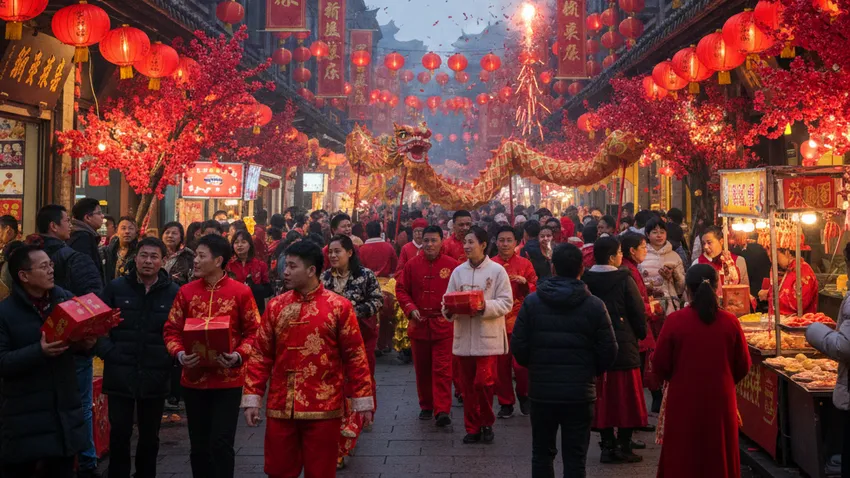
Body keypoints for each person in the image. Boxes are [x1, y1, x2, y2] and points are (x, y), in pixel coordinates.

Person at [242, 240, 374, 478]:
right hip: (281, 405)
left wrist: (362, 400)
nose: (285, 272)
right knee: (278, 470)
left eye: (292, 266)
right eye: (286, 266)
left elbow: (355, 355)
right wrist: (253, 398)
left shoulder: (338, 307)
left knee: (321, 472)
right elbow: (260, 354)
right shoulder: (275, 307)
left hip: (324, 407)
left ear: (312, 270)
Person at [512, 243, 618, 478]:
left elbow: (519, 346)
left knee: (541, 453)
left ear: (553, 267)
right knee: (575, 457)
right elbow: (609, 351)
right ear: (582, 268)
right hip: (580, 393)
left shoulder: (532, 303)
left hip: (542, 391)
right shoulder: (594, 306)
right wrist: (590, 370)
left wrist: (537, 366)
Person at [162, 234, 261, 478]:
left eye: (200, 256)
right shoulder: (185, 292)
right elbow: (171, 329)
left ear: (218, 260)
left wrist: (238, 355)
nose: (195, 260)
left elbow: (255, 333)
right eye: (195, 255)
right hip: (193, 379)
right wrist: (180, 354)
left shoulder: (241, 292)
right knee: (199, 446)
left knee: (221, 443)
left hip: (228, 379)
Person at [0, 245, 96, 478]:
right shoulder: (5, 313)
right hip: (24, 419)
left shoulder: (65, 301)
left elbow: (75, 346)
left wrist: (86, 344)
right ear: (24, 276)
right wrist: (39, 351)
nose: (51, 270)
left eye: (51, 264)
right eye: (43, 267)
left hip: (63, 415)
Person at [653, 264, 751, 478]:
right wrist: (723, 378)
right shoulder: (730, 322)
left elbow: (659, 363)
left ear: (687, 288)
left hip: (683, 396)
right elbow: (743, 365)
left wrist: (679, 377)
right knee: (718, 452)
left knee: (683, 453)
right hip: (720, 398)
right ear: (717, 288)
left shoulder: (675, 321)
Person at [97, 237, 179, 478]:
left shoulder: (174, 292)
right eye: (143, 255)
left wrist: (169, 358)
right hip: (119, 372)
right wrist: (108, 352)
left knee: (150, 435)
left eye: (154, 257)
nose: (148, 261)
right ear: (136, 258)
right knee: (120, 432)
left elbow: (179, 331)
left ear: (163, 261)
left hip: (156, 372)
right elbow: (97, 326)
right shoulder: (116, 287)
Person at [35, 204, 103, 476]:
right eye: (66, 221)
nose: (70, 226)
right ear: (54, 225)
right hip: (72, 343)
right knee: (80, 405)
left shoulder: (22, 255)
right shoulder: (75, 256)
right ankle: (86, 462)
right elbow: (93, 300)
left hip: (36, 343)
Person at [581, 236, 648, 463]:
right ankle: (624, 445)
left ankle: (607, 446)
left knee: (603, 400)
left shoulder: (586, 280)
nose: (622, 256)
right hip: (623, 346)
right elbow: (637, 313)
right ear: (611, 257)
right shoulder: (624, 279)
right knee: (626, 400)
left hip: (596, 347)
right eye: (619, 252)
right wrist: (640, 334)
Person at [444, 226, 513, 444]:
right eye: (465, 242)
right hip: (464, 338)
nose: (466, 246)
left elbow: (506, 302)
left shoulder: (497, 271)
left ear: (483, 245)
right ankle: (472, 427)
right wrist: (449, 308)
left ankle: (487, 422)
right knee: (466, 386)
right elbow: (447, 298)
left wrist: (483, 306)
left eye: (471, 242)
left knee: (484, 383)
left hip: (487, 338)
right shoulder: (458, 272)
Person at [320, 234, 383, 467]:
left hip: (360, 337)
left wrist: (353, 312)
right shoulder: (324, 277)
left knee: (358, 382)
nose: (333, 256)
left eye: (338, 251)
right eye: (331, 252)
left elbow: (378, 301)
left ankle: (350, 434)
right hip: (330, 341)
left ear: (350, 252)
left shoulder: (365, 276)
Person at [396, 225, 459, 426]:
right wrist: (410, 308)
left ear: (442, 241)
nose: (430, 244)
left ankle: (442, 410)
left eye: (434, 240)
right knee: (422, 369)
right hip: (419, 324)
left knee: (443, 369)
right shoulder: (412, 265)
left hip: (444, 325)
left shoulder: (453, 265)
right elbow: (401, 289)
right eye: (427, 241)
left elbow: (460, 291)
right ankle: (426, 405)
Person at [492, 225, 537, 418]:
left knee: (521, 365)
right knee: (500, 367)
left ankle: (524, 395)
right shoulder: (490, 265)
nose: (505, 244)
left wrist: (525, 283)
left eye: (509, 240)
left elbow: (536, 290)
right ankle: (506, 402)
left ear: (516, 243)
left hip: (520, 321)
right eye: (501, 240)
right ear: (496, 242)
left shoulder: (525, 264)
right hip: (497, 321)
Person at [640, 217, 685, 315]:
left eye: (662, 232)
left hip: (671, 304)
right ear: (647, 235)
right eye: (655, 232)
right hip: (648, 305)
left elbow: (681, 287)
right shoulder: (642, 255)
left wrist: (673, 276)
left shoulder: (674, 256)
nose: (659, 235)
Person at [757, 247, 819, 315]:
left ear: (787, 252)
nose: (772, 261)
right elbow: (784, 290)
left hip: (798, 323)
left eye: (775, 256)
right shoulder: (788, 269)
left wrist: (771, 295)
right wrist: (769, 292)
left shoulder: (802, 270)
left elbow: (798, 303)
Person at [693, 226, 749, 297]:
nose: (705, 247)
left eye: (709, 243)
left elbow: (745, 290)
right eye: (703, 243)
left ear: (721, 241)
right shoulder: (697, 263)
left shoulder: (738, 261)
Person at [227, 230, 272, 314]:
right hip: (233, 306)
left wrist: (255, 288)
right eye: (236, 242)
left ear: (250, 245)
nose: (239, 245)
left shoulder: (260, 265)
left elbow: (268, 289)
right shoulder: (228, 266)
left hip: (255, 307)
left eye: (243, 242)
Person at [68, 197, 105, 283]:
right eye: (99, 213)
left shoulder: (83, 235)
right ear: (88, 217)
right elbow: (85, 272)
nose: (102, 216)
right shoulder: (82, 238)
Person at [161, 221, 195, 286]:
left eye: (174, 233)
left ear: (181, 237)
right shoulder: (156, 254)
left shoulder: (188, 255)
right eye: (167, 233)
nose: (170, 236)